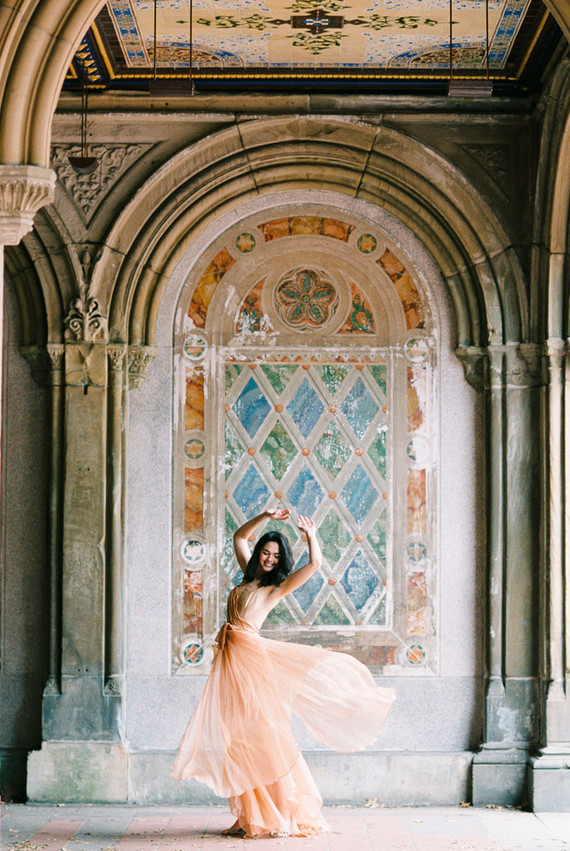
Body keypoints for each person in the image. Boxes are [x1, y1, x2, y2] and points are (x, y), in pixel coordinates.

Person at [171, 508, 395, 838]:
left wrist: (312, 536)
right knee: (237, 741)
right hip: (232, 667)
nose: (269, 559)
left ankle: (277, 813)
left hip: (251, 667)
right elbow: (239, 537)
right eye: (265, 552)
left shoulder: (274, 590)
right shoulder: (247, 581)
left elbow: (315, 565)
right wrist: (264, 514)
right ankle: (249, 815)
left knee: (261, 739)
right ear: (258, 552)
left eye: (276, 556)